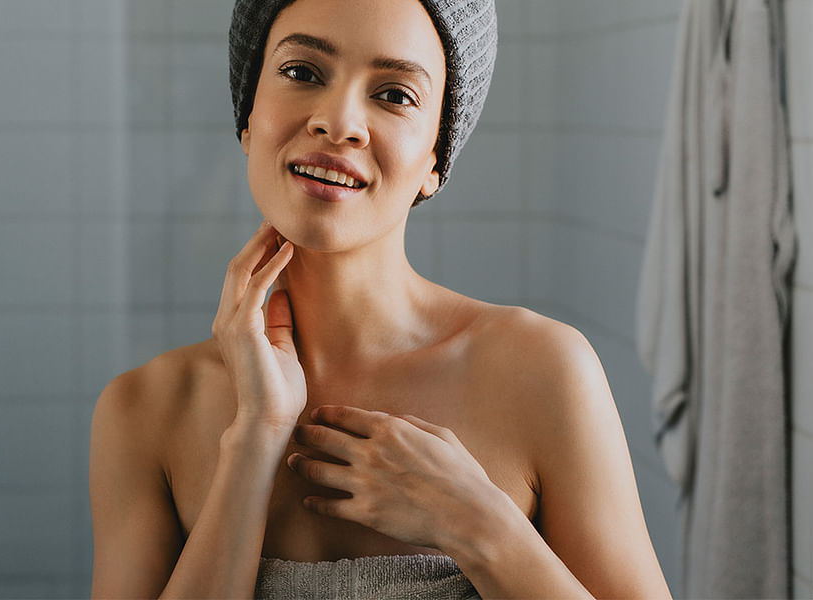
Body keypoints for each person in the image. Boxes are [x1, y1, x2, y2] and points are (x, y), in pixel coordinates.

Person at [89, 0, 674, 597]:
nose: (338, 121)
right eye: (302, 72)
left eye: (395, 95)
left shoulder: (544, 372)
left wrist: (478, 524)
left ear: (435, 161)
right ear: (248, 115)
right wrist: (255, 438)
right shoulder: (143, 411)